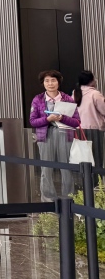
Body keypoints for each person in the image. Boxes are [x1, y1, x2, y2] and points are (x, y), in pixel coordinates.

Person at [30, 69, 81, 201]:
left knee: (66, 168)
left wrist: (62, 118)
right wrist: (48, 119)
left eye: (53, 80)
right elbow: (33, 121)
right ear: (43, 83)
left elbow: (77, 122)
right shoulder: (38, 99)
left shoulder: (68, 99)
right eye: (47, 81)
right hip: (45, 136)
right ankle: (48, 199)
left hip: (65, 135)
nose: (50, 83)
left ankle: (68, 198)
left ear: (58, 82)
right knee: (46, 168)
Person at [73, 70, 105, 179]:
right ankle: (97, 184)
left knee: (84, 158)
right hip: (95, 130)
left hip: (79, 130)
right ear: (92, 81)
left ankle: (85, 183)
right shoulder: (95, 94)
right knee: (96, 159)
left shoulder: (75, 93)